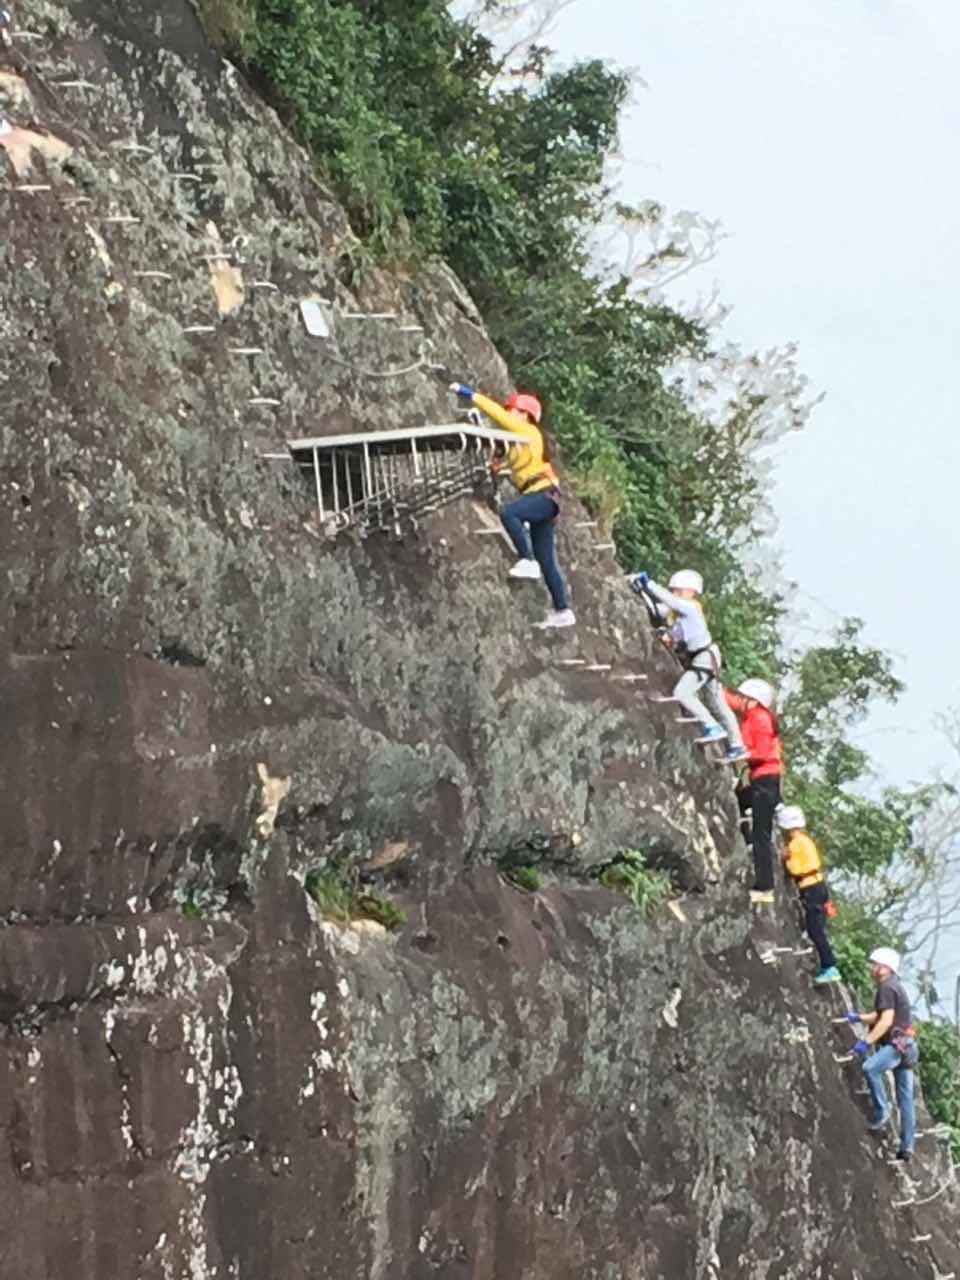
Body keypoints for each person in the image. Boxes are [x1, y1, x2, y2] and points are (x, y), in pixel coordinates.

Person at [450, 382, 574, 629]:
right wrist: (497, 465)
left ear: (524, 414)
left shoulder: (527, 431)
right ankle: (563, 610)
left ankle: (526, 559)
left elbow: (496, 413)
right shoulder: (519, 443)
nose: (508, 414)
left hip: (543, 494)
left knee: (509, 513)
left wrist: (468, 393)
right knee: (547, 560)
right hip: (541, 496)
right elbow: (506, 459)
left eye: (512, 410)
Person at [629, 570, 747, 765]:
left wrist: (648, 584)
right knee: (717, 702)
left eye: (679, 591)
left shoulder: (691, 608)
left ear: (691, 592)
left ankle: (711, 726)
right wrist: (642, 591)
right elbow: (658, 611)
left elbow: (672, 602)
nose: (675, 594)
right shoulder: (676, 612)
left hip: (704, 658)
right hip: (705, 659)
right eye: (673, 591)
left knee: (682, 692)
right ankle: (737, 745)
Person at [844, 947, 919, 1161]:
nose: (873, 968)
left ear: (885, 968)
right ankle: (907, 1147)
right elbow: (881, 1015)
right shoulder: (896, 986)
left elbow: (885, 1022)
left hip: (896, 1046)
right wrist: (857, 1018)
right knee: (905, 1098)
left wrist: (865, 1043)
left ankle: (881, 1110)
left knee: (870, 1068)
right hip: (908, 1046)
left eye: (875, 964)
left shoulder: (887, 987)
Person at [725, 679, 783, 905]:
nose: (741, 702)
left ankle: (764, 887)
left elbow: (759, 751)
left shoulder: (759, 719)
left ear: (754, 700)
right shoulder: (757, 716)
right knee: (740, 800)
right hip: (764, 780)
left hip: (765, 780)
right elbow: (731, 701)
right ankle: (745, 837)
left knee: (762, 835)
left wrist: (741, 754)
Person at [776, 805, 840, 982]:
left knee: (815, 930)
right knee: (818, 927)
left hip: (810, 888)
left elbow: (796, 869)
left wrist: (784, 858)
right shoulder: (806, 840)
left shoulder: (795, 844)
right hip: (819, 885)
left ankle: (829, 965)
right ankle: (828, 964)